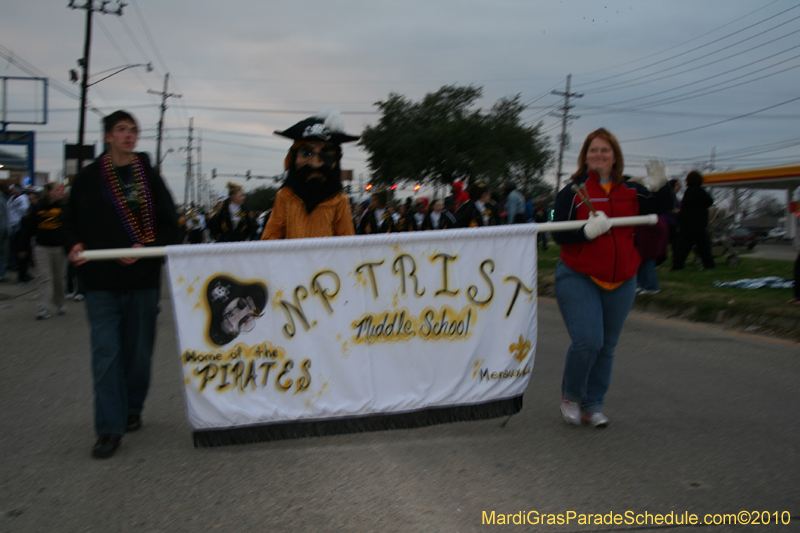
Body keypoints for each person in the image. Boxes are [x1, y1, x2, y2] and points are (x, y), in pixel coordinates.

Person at [65, 110, 181, 459]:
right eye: (121, 130)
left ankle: (132, 406)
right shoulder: (88, 178)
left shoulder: (149, 177)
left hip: (142, 281)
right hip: (100, 281)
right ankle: (108, 429)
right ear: (108, 136)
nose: (129, 135)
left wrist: (144, 248)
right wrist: (73, 243)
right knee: (106, 354)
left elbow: (171, 226)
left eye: (133, 130)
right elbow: (70, 221)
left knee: (138, 354)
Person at [552, 128, 672, 428]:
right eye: (593, 150)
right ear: (585, 157)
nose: (599, 155)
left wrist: (661, 187)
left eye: (605, 150)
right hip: (578, 275)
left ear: (615, 156)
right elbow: (557, 233)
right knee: (588, 342)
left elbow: (664, 208)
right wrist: (585, 232)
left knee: (607, 346)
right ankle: (571, 396)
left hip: (623, 278)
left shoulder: (633, 190)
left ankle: (593, 405)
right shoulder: (572, 192)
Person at [262, 108, 358, 240]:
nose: (315, 164)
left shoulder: (338, 200)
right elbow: (270, 240)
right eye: (306, 153)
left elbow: (347, 243)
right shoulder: (285, 197)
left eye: (326, 154)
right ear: (293, 158)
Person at [24, 182, 70, 319]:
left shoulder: (64, 208)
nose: (60, 192)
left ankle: (60, 303)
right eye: (57, 189)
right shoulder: (37, 207)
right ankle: (43, 307)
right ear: (49, 192)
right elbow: (29, 228)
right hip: (42, 247)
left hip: (59, 248)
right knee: (44, 277)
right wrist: (23, 246)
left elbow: (69, 227)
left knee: (59, 278)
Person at [671, 171, 716, 270]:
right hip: (699, 223)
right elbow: (709, 201)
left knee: (684, 246)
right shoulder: (700, 191)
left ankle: (678, 265)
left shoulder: (688, 191)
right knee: (703, 246)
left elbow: (685, 207)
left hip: (688, 223)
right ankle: (709, 264)